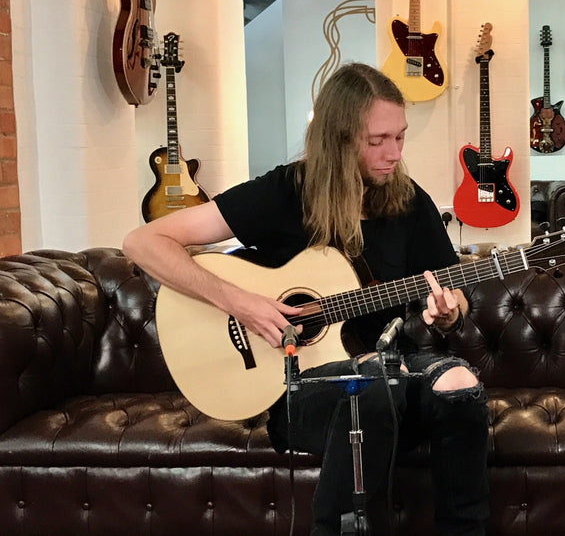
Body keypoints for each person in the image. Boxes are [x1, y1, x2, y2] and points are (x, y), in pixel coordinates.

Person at [122, 62, 489, 535]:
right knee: (370, 389)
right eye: (377, 140)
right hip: (298, 387)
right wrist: (240, 302)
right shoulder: (284, 191)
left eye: (400, 136)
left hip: (391, 370)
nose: (394, 153)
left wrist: (449, 312)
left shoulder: (409, 202)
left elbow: (452, 291)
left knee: (459, 383)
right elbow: (143, 242)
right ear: (339, 138)